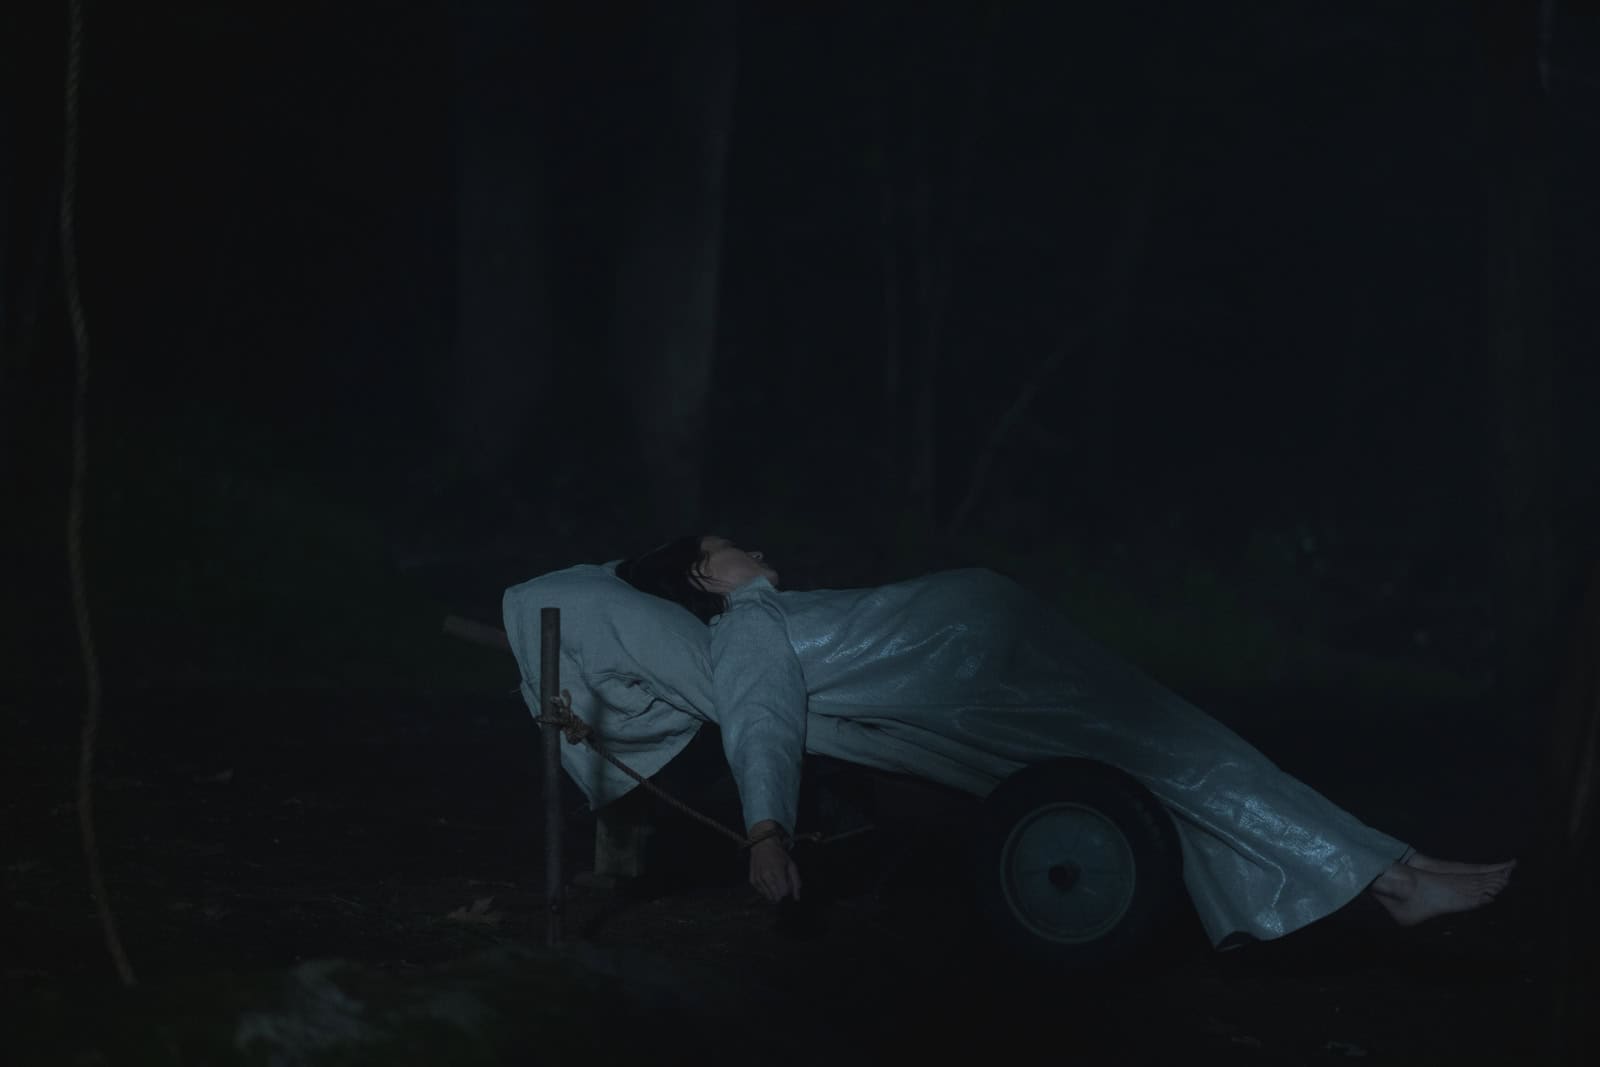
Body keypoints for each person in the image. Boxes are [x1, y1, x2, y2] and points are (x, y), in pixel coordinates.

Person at [614, 534, 1518, 946]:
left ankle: (1392, 866)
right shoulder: (746, 628)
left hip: (1010, 667)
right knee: (1186, 761)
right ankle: (1392, 879)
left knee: (1194, 752)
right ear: (705, 576)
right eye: (729, 547)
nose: (753, 546)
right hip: (995, 686)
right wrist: (766, 831)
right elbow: (763, 722)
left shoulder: (773, 612)